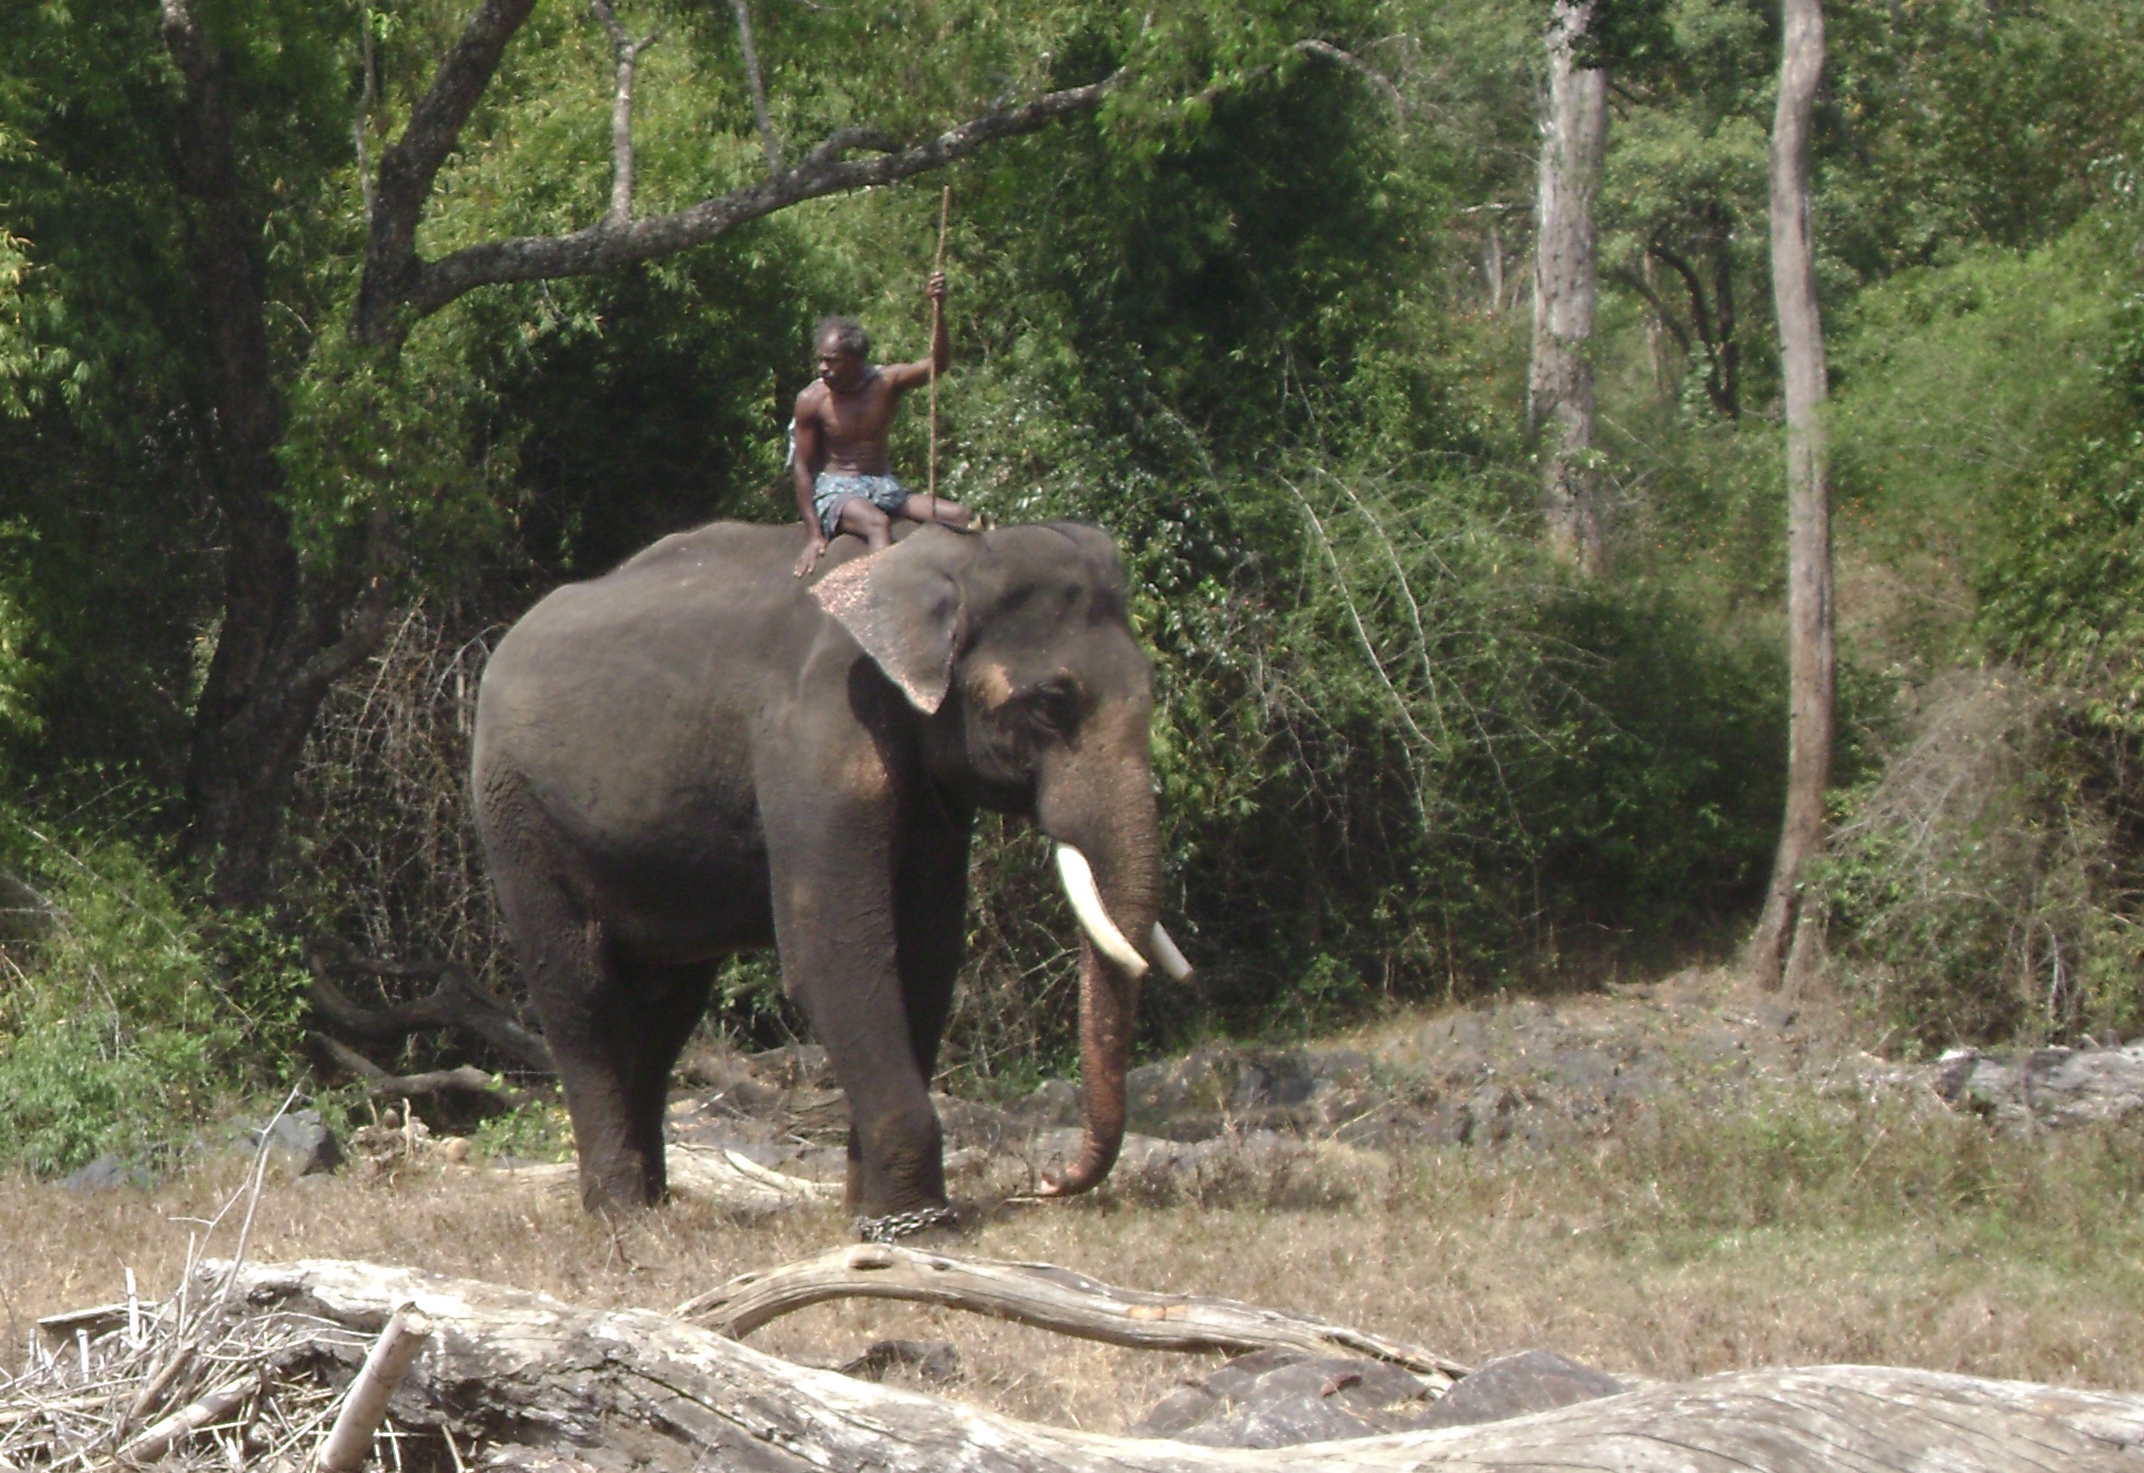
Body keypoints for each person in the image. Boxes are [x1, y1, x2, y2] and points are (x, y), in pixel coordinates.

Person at [791, 271, 974, 577]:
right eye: (820, 360)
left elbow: (937, 365)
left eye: (832, 361)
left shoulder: (885, 383)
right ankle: (881, 600)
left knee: (959, 516)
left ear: (856, 360)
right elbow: (801, 467)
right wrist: (813, 533)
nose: (824, 369)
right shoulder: (812, 400)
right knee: (877, 523)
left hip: (884, 484)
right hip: (838, 489)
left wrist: (939, 309)